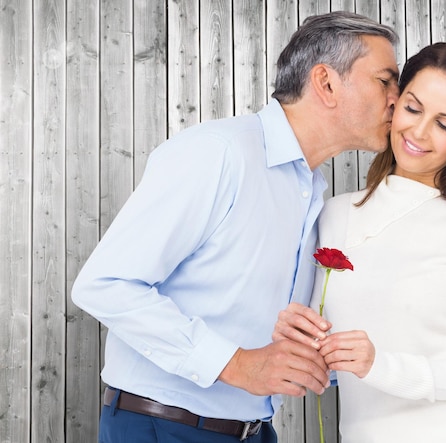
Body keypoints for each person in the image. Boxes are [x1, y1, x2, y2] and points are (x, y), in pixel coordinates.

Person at [71, 10, 400, 443]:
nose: (398, 97)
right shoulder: (217, 154)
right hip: (164, 428)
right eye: (385, 80)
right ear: (326, 83)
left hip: (253, 432)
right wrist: (238, 364)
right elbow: (104, 283)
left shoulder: (311, 193)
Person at [273, 41, 446, 442]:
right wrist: (295, 336)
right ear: (394, 102)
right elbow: (325, 353)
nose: (418, 132)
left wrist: (381, 366)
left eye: (444, 124)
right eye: (413, 108)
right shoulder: (334, 213)